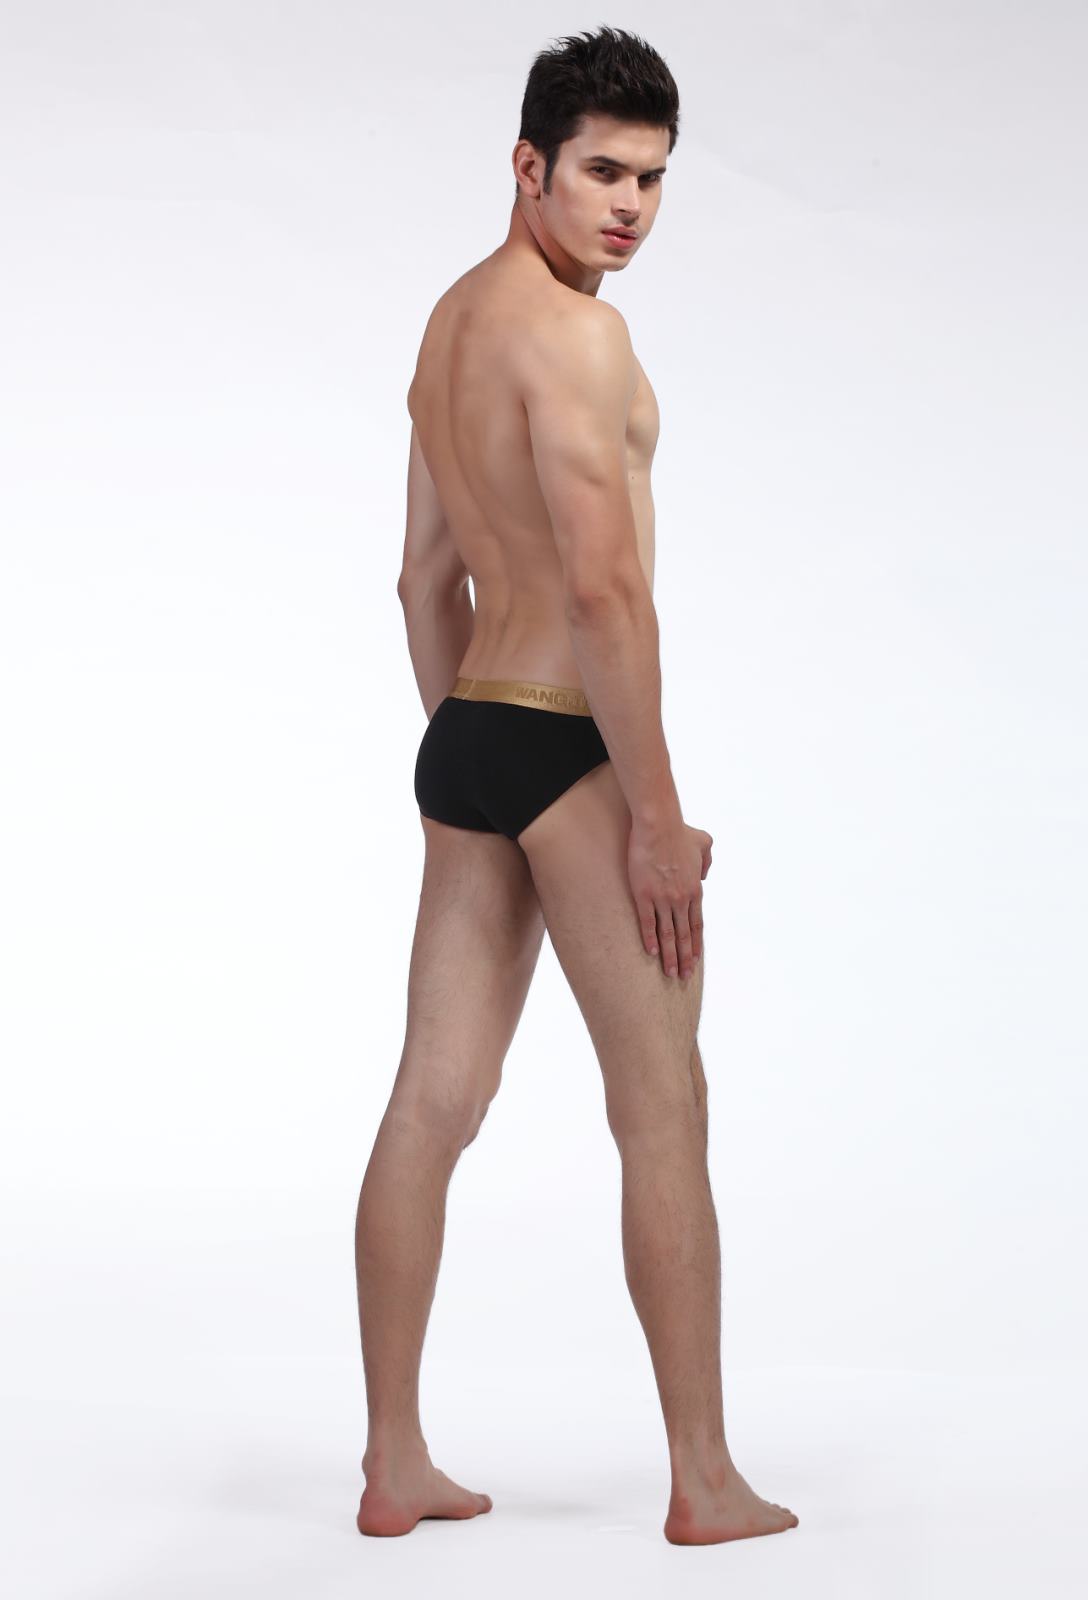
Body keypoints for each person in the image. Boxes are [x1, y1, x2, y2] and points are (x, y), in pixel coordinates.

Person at [355, 26, 799, 1546]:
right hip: (565, 735)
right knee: (663, 1102)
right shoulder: (578, 341)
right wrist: (652, 820)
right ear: (528, 165)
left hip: (473, 732)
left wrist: (467, 749)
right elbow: (607, 596)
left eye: (654, 180)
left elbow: (421, 581)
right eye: (603, 173)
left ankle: (393, 1463)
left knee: (432, 1100)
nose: (630, 207)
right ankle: (704, 1479)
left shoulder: (448, 323)